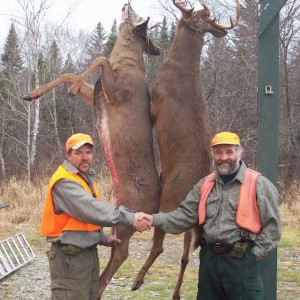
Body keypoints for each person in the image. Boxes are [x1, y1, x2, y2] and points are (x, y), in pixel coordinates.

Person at [138, 131, 281, 300]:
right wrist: (154, 219)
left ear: (239, 153)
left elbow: (273, 228)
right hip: (209, 263)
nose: (224, 157)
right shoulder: (205, 184)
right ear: (213, 154)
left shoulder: (259, 184)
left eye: (229, 152)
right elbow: (183, 216)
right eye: (218, 152)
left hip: (241, 262)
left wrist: (253, 255)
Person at [40, 133, 149, 300]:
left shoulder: (84, 178)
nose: (85, 158)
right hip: (69, 259)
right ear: (68, 155)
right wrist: (131, 218)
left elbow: (81, 222)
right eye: (78, 153)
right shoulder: (64, 182)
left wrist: (103, 238)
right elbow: (91, 210)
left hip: (87, 256)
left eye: (88, 153)